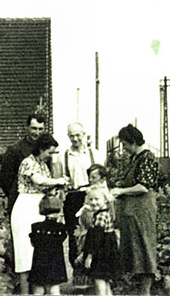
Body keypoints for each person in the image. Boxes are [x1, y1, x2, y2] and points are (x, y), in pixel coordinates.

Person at [11, 133, 70, 294]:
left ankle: (39, 290)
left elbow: (47, 185)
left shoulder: (43, 164)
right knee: (24, 253)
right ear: (41, 149)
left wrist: (60, 185)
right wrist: (58, 181)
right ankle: (25, 292)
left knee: (40, 253)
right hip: (25, 206)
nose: (51, 156)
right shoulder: (28, 162)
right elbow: (39, 181)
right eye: (50, 152)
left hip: (39, 207)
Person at [110, 124, 160, 296]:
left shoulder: (147, 158)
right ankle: (137, 288)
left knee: (145, 246)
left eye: (124, 144)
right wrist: (119, 185)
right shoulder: (135, 158)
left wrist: (121, 191)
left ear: (132, 142)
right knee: (134, 248)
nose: (123, 148)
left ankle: (145, 290)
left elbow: (144, 187)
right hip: (132, 211)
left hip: (143, 211)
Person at [52, 122, 106, 266]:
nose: (75, 139)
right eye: (71, 136)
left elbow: (103, 179)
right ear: (68, 136)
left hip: (93, 196)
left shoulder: (95, 154)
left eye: (77, 135)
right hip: (73, 198)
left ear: (83, 134)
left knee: (94, 232)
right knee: (74, 234)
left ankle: (95, 271)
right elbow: (58, 181)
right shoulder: (62, 156)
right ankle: (78, 273)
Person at [1, 113, 46, 215]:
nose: (37, 132)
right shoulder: (15, 149)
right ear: (27, 128)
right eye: (34, 128)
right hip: (20, 201)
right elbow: (5, 180)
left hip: (41, 201)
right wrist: (15, 195)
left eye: (40, 129)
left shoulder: (46, 150)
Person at [80, 187, 121, 295]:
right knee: (105, 281)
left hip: (101, 253)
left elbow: (96, 239)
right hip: (108, 251)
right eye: (91, 199)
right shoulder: (105, 213)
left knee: (99, 281)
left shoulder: (100, 216)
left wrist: (89, 256)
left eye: (97, 199)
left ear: (105, 200)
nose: (93, 202)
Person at [28, 192, 68, 295]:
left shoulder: (36, 227)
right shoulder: (61, 228)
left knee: (38, 288)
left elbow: (33, 243)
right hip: (56, 261)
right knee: (54, 288)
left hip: (39, 261)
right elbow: (62, 239)